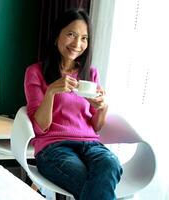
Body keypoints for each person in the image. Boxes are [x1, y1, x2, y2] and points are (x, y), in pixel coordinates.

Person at [24, 9, 122, 200]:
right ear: (56, 36)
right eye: (71, 35)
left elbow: (96, 126)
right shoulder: (35, 72)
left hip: (90, 145)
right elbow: (40, 127)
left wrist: (103, 107)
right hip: (53, 147)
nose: (78, 44)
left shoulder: (90, 74)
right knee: (96, 183)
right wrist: (51, 91)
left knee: (111, 164)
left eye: (84, 38)